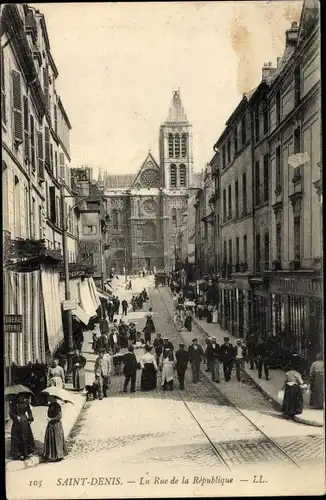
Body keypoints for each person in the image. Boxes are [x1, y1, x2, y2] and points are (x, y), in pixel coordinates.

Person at [9, 394, 35, 460]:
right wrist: (16, 416)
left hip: (24, 421)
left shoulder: (26, 402)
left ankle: (25, 453)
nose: (22, 397)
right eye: (20, 396)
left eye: (23, 396)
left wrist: (30, 418)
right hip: (17, 422)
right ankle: (18, 454)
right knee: (17, 437)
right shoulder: (14, 403)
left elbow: (29, 411)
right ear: (18, 396)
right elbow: (11, 413)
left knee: (25, 436)